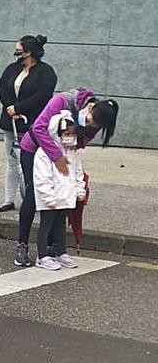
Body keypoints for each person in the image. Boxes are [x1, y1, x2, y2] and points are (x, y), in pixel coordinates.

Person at [16, 88, 118, 266]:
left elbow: (79, 143)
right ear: (90, 106)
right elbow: (39, 128)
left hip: (63, 155)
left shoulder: (94, 125)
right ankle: (22, 246)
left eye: (91, 126)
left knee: (61, 198)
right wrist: (57, 157)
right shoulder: (63, 100)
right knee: (33, 196)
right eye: (87, 119)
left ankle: (52, 248)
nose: (86, 125)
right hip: (34, 149)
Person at [0, 35, 58, 213]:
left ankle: (33, 198)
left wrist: (20, 108)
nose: (16, 53)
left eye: (19, 49)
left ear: (29, 52)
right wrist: (10, 108)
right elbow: (1, 89)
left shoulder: (46, 72)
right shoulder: (12, 69)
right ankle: (8, 199)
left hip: (32, 124)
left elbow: (43, 95)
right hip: (11, 122)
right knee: (12, 161)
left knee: (32, 162)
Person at [32, 111, 86, 271]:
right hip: (51, 198)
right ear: (57, 132)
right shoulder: (44, 153)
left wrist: (79, 190)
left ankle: (60, 252)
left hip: (66, 196)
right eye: (66, 134)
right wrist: (48, 197)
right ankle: (42, 256)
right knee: (46, 226)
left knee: (60, 225)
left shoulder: (72, 152)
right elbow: (42, 178)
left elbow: (78, 172)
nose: (69, 137)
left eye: (72, 134)